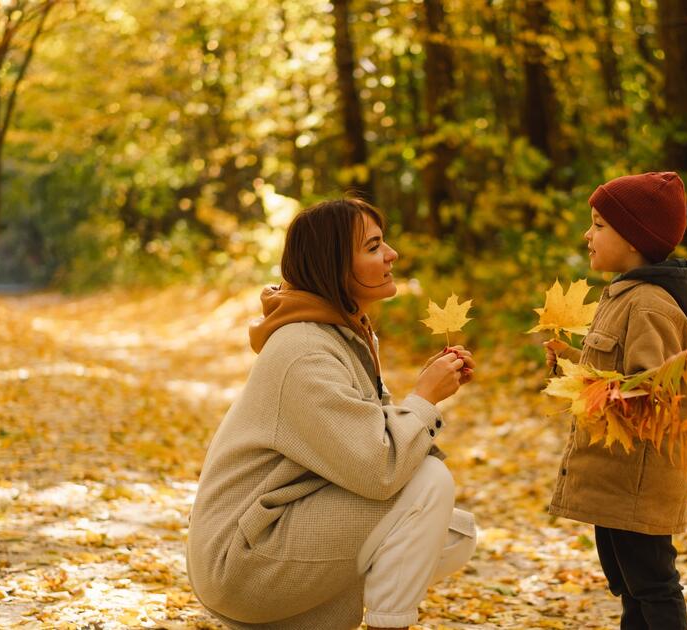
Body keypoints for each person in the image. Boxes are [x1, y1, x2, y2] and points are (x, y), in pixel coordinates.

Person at [187, 197, 477, 630]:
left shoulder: (340, 334)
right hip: (242, 561)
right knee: (429, 487)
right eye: (374, 246)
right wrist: (423, 400)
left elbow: (366, 444)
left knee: (454, 536)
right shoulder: (303, 351)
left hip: (270, 532)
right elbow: (379, 467)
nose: (392, 254)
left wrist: (420, 399)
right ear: (334, 265)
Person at [544, 172, 687, 630]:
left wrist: (591, 384)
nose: (587, 235)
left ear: (633, 239)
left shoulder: (650, 306)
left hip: (639, 485)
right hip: (617, 483)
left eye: (598, 225)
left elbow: (650, 391)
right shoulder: (622, 296)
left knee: (653, 585)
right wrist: (572, 363)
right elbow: (614, 371)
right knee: (629, 587)